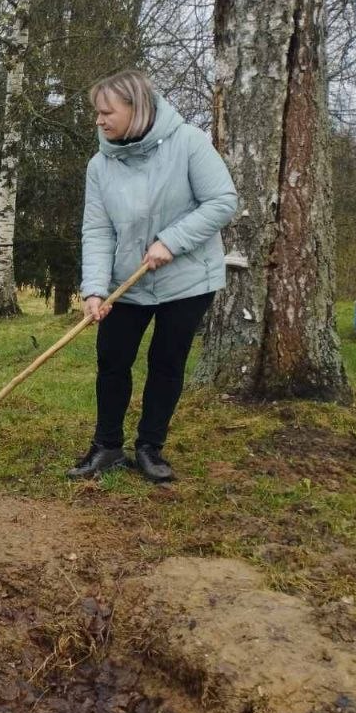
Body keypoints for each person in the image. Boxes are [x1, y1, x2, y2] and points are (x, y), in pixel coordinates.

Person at [67, 70, 237, 483]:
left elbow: (222, 201)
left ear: (135, 108)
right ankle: (107, 447)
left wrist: (171, 241)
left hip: (187, 281)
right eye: (97, 112)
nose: (99, 120)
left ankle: (150, 448)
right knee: (112, 361)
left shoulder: (189, 143)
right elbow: (98, 230)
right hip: (126, 283)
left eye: (107, 112)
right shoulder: (100, 165)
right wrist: (94, 289)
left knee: (166, 362)